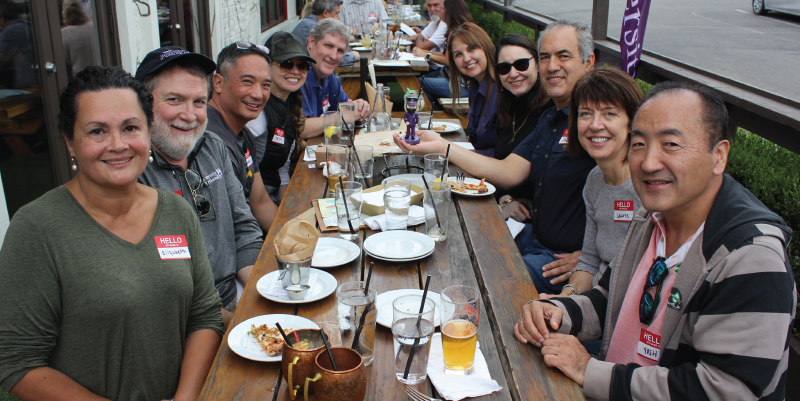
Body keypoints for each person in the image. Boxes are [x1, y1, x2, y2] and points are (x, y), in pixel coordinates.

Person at [514, 81, 796, 401]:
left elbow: (726, 390)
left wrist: (589, 369)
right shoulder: (653, 218)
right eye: (639, 144)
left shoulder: (751, 258)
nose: (648, 163)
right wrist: (558, 312)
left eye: (671, 144)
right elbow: (613, 299)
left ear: (719, 155)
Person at [0, 66, 223, 400]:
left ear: (148, 131)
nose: (118, 145)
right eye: (97, 132)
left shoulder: (176, 212)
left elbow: (204, 316)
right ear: (69, 141)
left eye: (131, 127)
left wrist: (184, 398)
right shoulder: (37, 229)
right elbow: (17, 361)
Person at [394, 20, 597, 294]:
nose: (551, 66)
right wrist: (442, 147)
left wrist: (592, 259)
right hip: (532, 235)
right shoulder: (550, 117)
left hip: (558, 258)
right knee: (453, 244)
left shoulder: (597, 121)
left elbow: (633, 199)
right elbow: (508, 172)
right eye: (545, 57)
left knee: (478, 280)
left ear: (589, 62)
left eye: (563, 56)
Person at [136, 47, 264, 329]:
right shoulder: (135, 173)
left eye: (198, 102)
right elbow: (163, 287)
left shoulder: (212, 146)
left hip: (237, 291)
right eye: (174, 100)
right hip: (183, 322)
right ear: (144, 105)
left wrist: (259, 297)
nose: (189, 115)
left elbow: (245, 227)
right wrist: (237, 326)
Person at [538, 67, 643, 300]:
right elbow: (590, 260)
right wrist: (564, 300)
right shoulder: (595, 179)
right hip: (595, 304)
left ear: (632, 122)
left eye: (609, 114)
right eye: (585, 114)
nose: (595, 125)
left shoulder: (647, 186)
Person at [206, 41, 279, 231]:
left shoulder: (244, 133)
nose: (258, 94)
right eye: (247, 81)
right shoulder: (208, 139)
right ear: (219, 83)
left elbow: (260, 202)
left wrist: (303, 238)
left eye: (265, 85)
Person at [247, 32, 313, 205]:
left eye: (302, 65)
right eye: (286, 63)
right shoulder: (257, 110)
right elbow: (248, 182)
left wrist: (289, 208)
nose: (295, 71)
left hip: (273, 195)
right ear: (267, 66)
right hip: (253, 204)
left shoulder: (290, 103)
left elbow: (282, 171)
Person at [493, 34, 552, 220]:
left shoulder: (549, 111)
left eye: (521, 64)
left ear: (537, 64)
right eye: (504, 68)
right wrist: (504, 198)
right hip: (506, 207)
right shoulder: (508, 106)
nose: (513, 73)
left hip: (535, 219)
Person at [300, 19, 370, 138]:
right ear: (311, 42)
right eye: (328, 45)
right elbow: (301, 128)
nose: (333, 56)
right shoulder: (298, 73)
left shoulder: (327, 74)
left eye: (340, 50)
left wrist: (360, 106)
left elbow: (344, 107)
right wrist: (339, 117)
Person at [443, 23, 499, 157]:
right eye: (458, 54)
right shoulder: (475, 87)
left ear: (485, 47)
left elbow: (503, 153)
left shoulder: (501, 90)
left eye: (471, 49)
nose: (466, 59)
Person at [415, 0, 473, 109]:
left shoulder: (455, 32)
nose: (440, 12)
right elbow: (447, 55)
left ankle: (435, 113)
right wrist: (426, 52)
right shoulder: (460, 28)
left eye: (442, 9)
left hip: (459, 84)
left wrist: (426, 55)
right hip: (455, 78)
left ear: (450, 11)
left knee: (417, 82)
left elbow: (448, 60)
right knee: (422, 85)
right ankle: (434, 111)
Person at [291, 0, 358, 65]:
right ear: (325, 13)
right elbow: (328, 58)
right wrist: (353, 55)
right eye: (337, 13)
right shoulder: (314, 28)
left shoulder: (307, 22)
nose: (338, 17)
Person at [61, 0, 99, 80]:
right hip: (99, 73)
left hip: (80, 78)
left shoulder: (65, 33)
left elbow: (65, 59)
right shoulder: (92, 27)